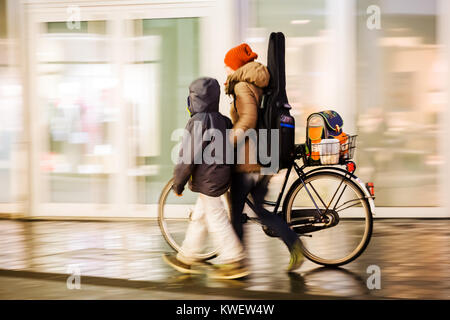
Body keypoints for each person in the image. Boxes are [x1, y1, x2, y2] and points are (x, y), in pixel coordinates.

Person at [224, 43, 304, 272]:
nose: (226, 70)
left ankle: (237, 262)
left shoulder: (241, 86)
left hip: (249, 160)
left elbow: (248, 120)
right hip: (265, 155)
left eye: (228, 66)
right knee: (259, 209)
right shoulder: (258, 82)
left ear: (237, 66)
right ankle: (294, 243)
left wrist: (229, 142)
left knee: (237, 213)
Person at [162, 77, 249, 280]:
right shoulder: (223, 120)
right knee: (200, 217)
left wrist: (178, 182)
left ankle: (234, 259)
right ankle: (186, 257)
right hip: (219, 176)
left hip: (208, 178)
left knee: (215, 218)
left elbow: (187, 156)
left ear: (194, 98)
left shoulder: (197, 121)